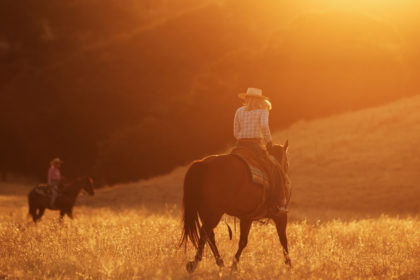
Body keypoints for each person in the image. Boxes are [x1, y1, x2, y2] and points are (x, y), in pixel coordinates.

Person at [233, 88, 287, 216]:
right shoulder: (263, 110)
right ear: (260, 100)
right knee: (275, 169)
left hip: (240, 145)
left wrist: (242, 137)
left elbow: (235, 131)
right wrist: (268, 141)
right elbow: (264, 126)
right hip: (255, 145)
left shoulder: (239, 111)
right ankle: (276, 204)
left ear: (246, 98)